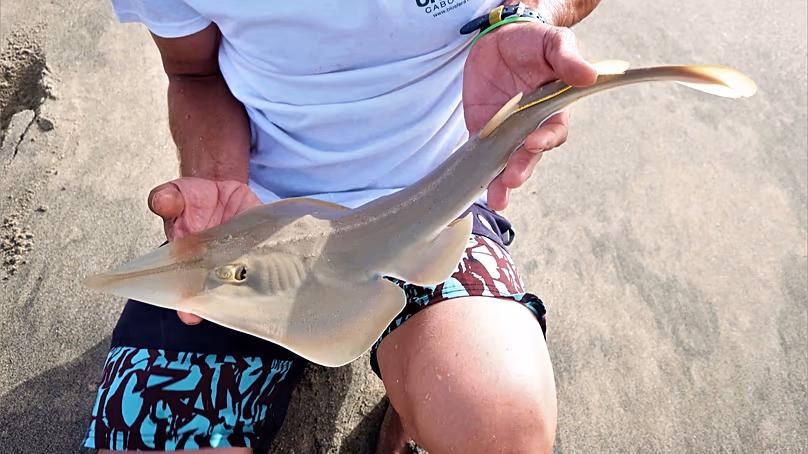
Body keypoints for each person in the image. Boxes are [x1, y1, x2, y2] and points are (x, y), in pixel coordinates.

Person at [83, 1, 602, 453]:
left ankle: (414, 385)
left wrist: (526, 15)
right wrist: (218, 177)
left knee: (497, 428)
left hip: (433, 201)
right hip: (254, 212)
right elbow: (193, 72)